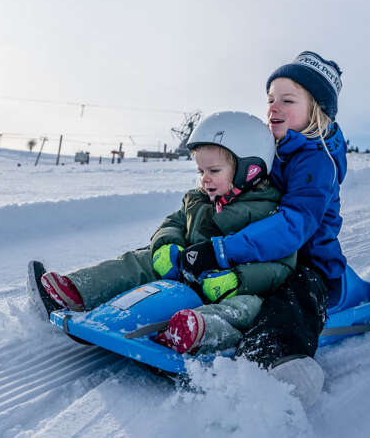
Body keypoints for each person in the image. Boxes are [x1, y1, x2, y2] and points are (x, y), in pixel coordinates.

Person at [27, 111, 296, 355]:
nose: (205, 179)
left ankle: (197, 331)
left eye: (214, 170)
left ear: (250, 170)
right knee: (141, 259)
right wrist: (167, 246)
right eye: (201, 171)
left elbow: (281, 266)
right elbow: (173, 223)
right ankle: (78, 291)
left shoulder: (270, 213)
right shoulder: (198, 199)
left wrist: (237, 280)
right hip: (185, 269)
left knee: (248, 308)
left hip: (226, 288)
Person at [176, 51, 351, 406]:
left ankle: (276, 357)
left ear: (317, 110)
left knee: (292, 294)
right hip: (261, 250)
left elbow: (293, 226)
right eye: (270, 99)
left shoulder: (317, 161)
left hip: (307, 261)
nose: (274, 107)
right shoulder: (270, 147)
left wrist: (225, 249)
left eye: (288, 100)